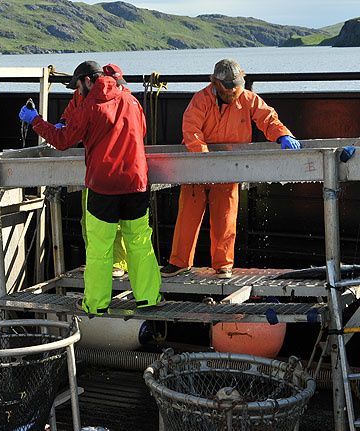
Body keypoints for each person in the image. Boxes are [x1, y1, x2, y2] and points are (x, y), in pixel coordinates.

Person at [19, 60, 162, 315]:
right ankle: (149, 298)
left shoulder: (89, 107)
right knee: (140, 242)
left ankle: (95, 304)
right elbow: (141, 132)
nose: (78, 91)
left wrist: (36, 121)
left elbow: (62, 141)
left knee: (99, 249)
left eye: (78, 86)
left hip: (103, 186)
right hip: (136, 183)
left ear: (87, 80)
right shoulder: (132, 102)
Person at [161, 58, 301, 279]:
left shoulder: (248, 98)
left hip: (228, 166)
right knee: (188, 214)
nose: (233, 90)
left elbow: (268, 118)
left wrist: (284, 135)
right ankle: (179, 262)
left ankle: (223, 265)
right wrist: (203, 159)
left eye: (236, 84)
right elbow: (191, 129)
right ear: (214, 82)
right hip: (198, 165)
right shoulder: (201, 100)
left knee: (226, 217)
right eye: (228, 86)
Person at [59, 64, 130, 279]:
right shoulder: (83, 97)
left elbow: (66, 138)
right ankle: (96, 261)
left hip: (112, 170)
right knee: (89, 221)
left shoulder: (120, 98)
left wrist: (39, 123)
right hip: (95, 170)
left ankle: (117, 263)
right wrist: (62, 123)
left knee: (114, 224)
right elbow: (70, 115)